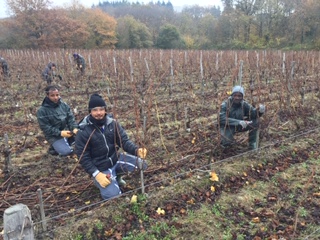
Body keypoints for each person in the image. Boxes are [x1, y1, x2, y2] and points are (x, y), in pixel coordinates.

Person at [75, 93, 148, 200]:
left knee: (142, 164)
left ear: (105, 110)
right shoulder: (83, 130)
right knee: (114, 196)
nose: (99, 113)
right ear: (90, 112)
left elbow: (124, 141)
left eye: (101, 109)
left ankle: (116, 176)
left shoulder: (112, 123)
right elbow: (83, 157)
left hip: (115, 159)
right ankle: (99, 181)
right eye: (95, 110)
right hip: (101, 168)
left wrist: (136, 150)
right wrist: (96, 174)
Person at [219, 85, 265, 150]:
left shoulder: (244, 104)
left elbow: (253, 114)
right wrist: (238, 122)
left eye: (239, 96)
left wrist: (260, 111)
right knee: (225, 144)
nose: (237, 98)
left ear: (242, 97)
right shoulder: (225, 105)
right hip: (227, 127)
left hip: (240, 125)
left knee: (255, 122)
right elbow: (221, 118)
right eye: (235, 95)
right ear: (232, 95)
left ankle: (252, 146)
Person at [37, 85, 79, 156]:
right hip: (54, 136)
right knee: (66, 152)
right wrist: (60, 133)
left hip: (68, 132)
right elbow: (45, 128)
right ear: (47, 96)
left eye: (57, 95)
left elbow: (70, 118)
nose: (56, 97)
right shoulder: (42, 111)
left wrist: (74, 128)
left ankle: (66, 143)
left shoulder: (64, 105)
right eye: (52, 95)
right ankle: (54, 149)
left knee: (84, 144)